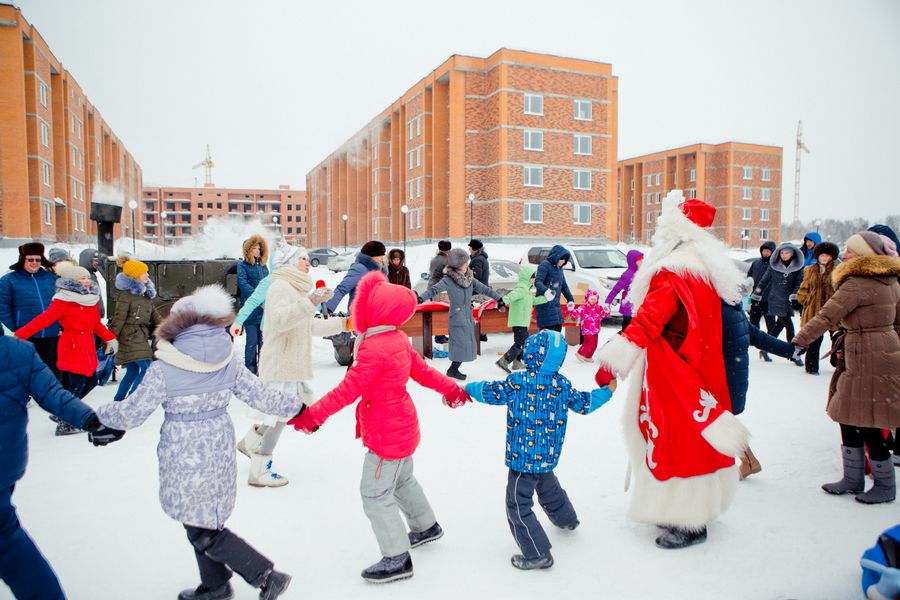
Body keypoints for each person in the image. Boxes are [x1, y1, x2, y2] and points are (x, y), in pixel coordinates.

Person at [94, 284, 299, 600]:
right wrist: (299, 408)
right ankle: (216, 586)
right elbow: (261, 395)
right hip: (218, 446)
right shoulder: (227, 362)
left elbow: (132, 413)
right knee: (202, 521)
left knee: (202, 530)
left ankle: (266, 576)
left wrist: (99, 416)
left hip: (183, 452)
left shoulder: (164, 369)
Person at [289, 271, 470, 584]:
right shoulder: (396, 338)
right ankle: (426, 526)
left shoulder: (374, 347)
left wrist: (313, 416)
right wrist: (452, 390)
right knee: (403, 480)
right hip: (402, 425)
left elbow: (347, 390)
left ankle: (397, 557)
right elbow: (425, 372)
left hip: (388, 434)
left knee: (374, 493)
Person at [595, 192, 749, 550]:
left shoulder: (673, 271)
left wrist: (613, 361)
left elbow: (649, 320)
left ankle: (689, 519)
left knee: (677, 441)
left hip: (674, 371)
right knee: (695, 439)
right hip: (700, 367)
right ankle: (690, 508)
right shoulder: (705, 270)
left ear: (675, 231)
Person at [465, 330, 615, 570]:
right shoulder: (561, 384)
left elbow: (491, 391)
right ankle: (567, 519)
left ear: (531, 353)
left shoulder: (518, 382)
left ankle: (536, 553)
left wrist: (468, 388)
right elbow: (585, 404)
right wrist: (607, 392)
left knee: (518, 504)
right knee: (548, 487)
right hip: (547, 454)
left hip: (522, 458)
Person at [0, 326, 123, 600]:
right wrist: (90, 420)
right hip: (4, 466)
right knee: (10, 545)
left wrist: (91, 420)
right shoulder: (17, 352)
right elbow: (52, 393)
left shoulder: (17, 352)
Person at [793, 231, 900, 504]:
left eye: (851, 251)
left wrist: (800, 341)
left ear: (864, 254)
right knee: (848, 414)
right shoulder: (891, 280)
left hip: (867, 353)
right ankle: (853, 478)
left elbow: (827, 315)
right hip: (878, 349)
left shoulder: (857, 283)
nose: (845, 254)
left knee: (866, 420)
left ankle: (885, 486)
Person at [238, 246, 344, 487]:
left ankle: (249, 443)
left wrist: (344, 324)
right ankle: (259, 471)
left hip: (289, 365)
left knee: (277, 415)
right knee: (280, 417)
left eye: (308, 258)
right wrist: (310, 301)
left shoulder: (295, 288)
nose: (308, 262)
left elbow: (309, 326)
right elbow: (279, 320)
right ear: (289, 262)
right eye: (303, 258)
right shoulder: (280, 287)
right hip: (280, 364)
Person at [15, 261, 117, 434]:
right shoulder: (62, 300)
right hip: (72, 345)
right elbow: (43, 320)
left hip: (87, 346)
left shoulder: (91, 299)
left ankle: (63, 410)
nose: (86, 281)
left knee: (91, 381)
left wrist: (110, 338)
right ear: (73, 281)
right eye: (82, 278)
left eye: (87, 277)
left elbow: (96, 325)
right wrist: (20, 335)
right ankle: (65, 423)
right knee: (77, 384)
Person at [721, 280, 797, 479]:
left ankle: (747, 461)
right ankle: (748, 461)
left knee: (716, 420)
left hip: (722, 379)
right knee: (720, 420)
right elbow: (759, 338)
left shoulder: (719, 313)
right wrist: (790, 350)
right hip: (734, 378)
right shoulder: (734, 311)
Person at [418, 248, 504, 380]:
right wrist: (420, 298)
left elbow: (484, 289)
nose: (467, 265)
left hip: (467, 314)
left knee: (466, 343)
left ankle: (453, 369)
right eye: (465, 263)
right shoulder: (449, 280)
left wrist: (499, 299)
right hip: (457, 315)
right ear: (457, 265)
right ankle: (453, 369)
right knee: (460, 343)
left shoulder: (469, 278)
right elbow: (434, 290)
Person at [0, 243, 61, 379]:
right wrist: (15, 328)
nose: (34, 263)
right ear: (23, 259)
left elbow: (62, 304)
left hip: (51, 335)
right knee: (28, 374)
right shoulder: (8, 280)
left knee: (52, 374)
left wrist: (60, 325)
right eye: (30, 259)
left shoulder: (52, 279)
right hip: (26, 336)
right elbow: (2, 307)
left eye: (38, 259)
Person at [109, 259, 161, 402]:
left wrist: (170, 328)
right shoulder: (126, 296)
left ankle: (119, 400)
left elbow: (155, 316)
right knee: (146, 369)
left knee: (132, 371)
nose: (147, 275)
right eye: (144, 273)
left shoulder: (145, 295)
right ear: (135, 275)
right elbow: (119, 318)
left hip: (140, 336)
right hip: (129, 336)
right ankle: (132, 400)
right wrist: (110, 338)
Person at [752, 243, 805, 361]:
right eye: (782, 253)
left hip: (788, 301)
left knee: (778, 326)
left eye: (787, 253)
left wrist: (794, 296)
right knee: (790, 327)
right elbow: (764, 281)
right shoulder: (774, 265)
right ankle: (794, 354)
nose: (784, 255)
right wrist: (757, 294)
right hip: (775, 299)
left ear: (792, 254)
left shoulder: (798, 267)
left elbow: (799, 283)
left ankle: (765, 349)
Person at [795, 241, 839, 375]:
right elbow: (804, 287)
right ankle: (811, 368)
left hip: (834, 310)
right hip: (814, 310)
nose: (824, 258)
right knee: (814, 339)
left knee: (837, 338)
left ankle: (839, 364)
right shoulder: (809, 270)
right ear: (817, 256)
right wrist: (802, 300)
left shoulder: (838, 270)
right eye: (822, 255)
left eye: (827, 256)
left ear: (832, 257)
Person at [495, 265, 548, 373]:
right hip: (518, 321)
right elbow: (512, 296)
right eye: (533, 277)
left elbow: (533, 301)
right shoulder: (522, 288)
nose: (534, 279)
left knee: (523, 342)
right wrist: (502, 301)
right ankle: (504, 361)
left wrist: (546, 298)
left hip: (523, 321)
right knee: (520, 342)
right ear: (527, 277)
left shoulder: (528, 290)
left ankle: (517, 362)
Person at [324, 241, 385, 315]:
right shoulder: (359, 268)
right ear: (372, 256)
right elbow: (342, 288)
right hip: (360, 315)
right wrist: (328, 308)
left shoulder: (380, 270)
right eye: (380, 255)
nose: (382, 258)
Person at [237, 235, 269, 374]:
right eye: (254, 248)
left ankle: (264, 368)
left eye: (259, 248)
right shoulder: (242, 266)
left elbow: (268, 282)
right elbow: (243, 284)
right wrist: (258, 298)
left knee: (263, 341)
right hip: (250, 311)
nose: (257, 251)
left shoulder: (263, 266)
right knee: (252, 341)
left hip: (263, 312)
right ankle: (250, 370)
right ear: (248, 250)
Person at [533, 245, 575, 332]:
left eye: (565, 260)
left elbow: (563, 285)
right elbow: (538, 281)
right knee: (548, 334)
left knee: (557, 333)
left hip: (556, 306)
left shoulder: (560, 269)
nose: (563, 262)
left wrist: (570, 299)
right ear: (556, 256)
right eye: (562, 259)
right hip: (545, 305)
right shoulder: (544, 265)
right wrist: (546, 291)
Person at [605, 249, 643, 331]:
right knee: (627, 326)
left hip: (637, 304)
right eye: (639, 260)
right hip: (628, 306)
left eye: (642, 260)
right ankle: (624, 337)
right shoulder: (628, 275)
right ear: (633, 261)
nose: (641, 262)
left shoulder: (641, 272)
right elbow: (616, 289)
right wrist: (608, 302)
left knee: (635, 327)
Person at [569, 289, 609, 363]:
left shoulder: (599, 308)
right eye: (591, 299)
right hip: (587, 329)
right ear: (587, 299)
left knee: (594, 344)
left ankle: (588, 356)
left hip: (595, 329)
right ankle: (580, 353)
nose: (593, 301)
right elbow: (576, 313)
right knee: (590, 342)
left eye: (595, 299)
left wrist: (606, 310)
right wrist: (571, 310)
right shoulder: (583, 307)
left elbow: (604, 314)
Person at [747, 241, 776, 331]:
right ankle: (754, 338)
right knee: (753, 322)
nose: (765, 253)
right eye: (764, 251)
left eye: (768, 251)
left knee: (770, 324)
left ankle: (771, 338)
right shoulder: (756, 263)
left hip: (768, 300)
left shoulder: (775, 265)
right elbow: (749, 276)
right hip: (755, 297)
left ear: (772, 252)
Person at [429, 240, 452, 345]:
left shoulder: (434, 259)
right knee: (442, 313)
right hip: (441, 289)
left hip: (432, 287)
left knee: (437, 312)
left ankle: (440, 335)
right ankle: (439, 336)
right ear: (449, 249)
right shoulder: (446, 261)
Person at [469, 239, 490, 341]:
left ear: (475, 248)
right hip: (481, 291)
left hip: (476, 293)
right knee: (479, 314)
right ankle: (481, 334)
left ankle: (478, 335)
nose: (469, 249)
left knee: (475, 314)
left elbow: (476, 276)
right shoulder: (482, 258)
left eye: (470, 247)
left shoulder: (477, 260)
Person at [79, 248, 106, 318]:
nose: (97, 263)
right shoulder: (87, 277)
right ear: (87, 261)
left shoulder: (89, 275)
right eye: (95, 261)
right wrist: (100, 311)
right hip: (91, 316)